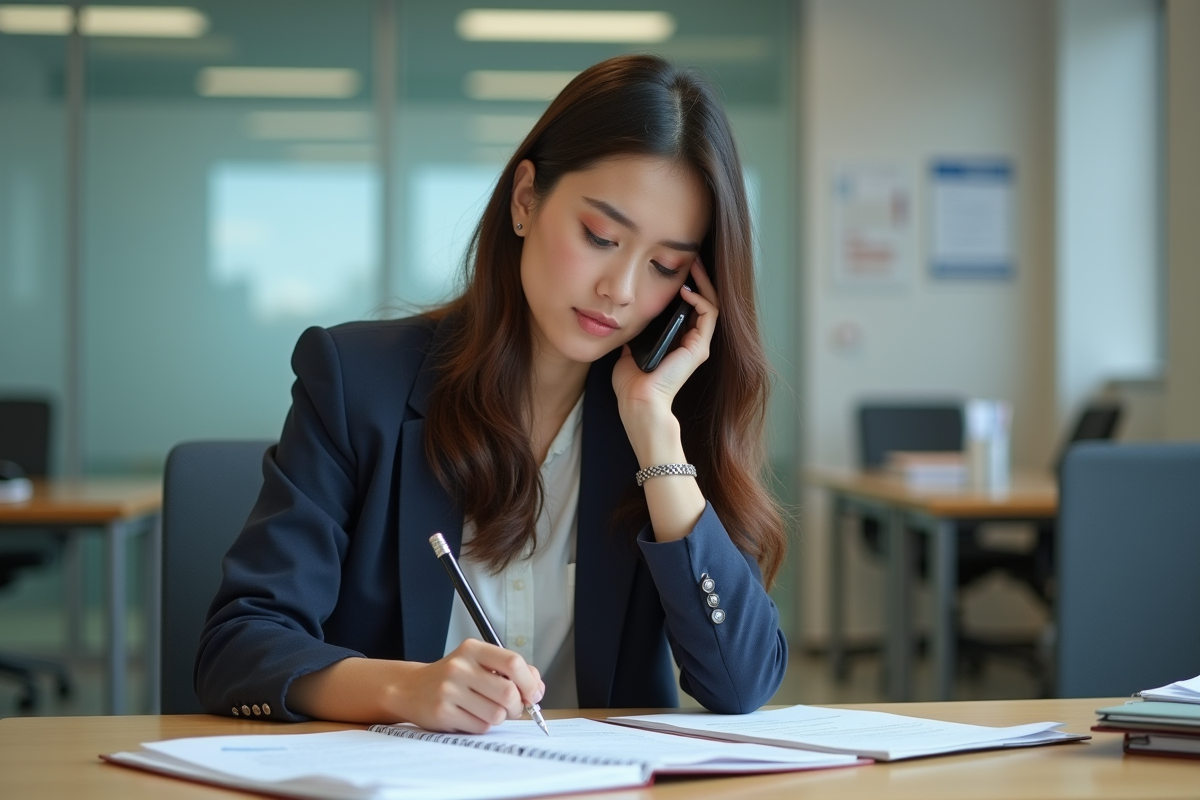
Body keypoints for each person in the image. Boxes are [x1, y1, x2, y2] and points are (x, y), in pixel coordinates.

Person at [196, 54, 788, 733]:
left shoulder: (669, 419)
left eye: (664, 265)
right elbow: (237, 648)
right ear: (526, 199)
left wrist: (654, 429)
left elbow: (740, 681)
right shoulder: (357, 381)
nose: (621, 290)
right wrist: (406, 690)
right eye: (600, 236)